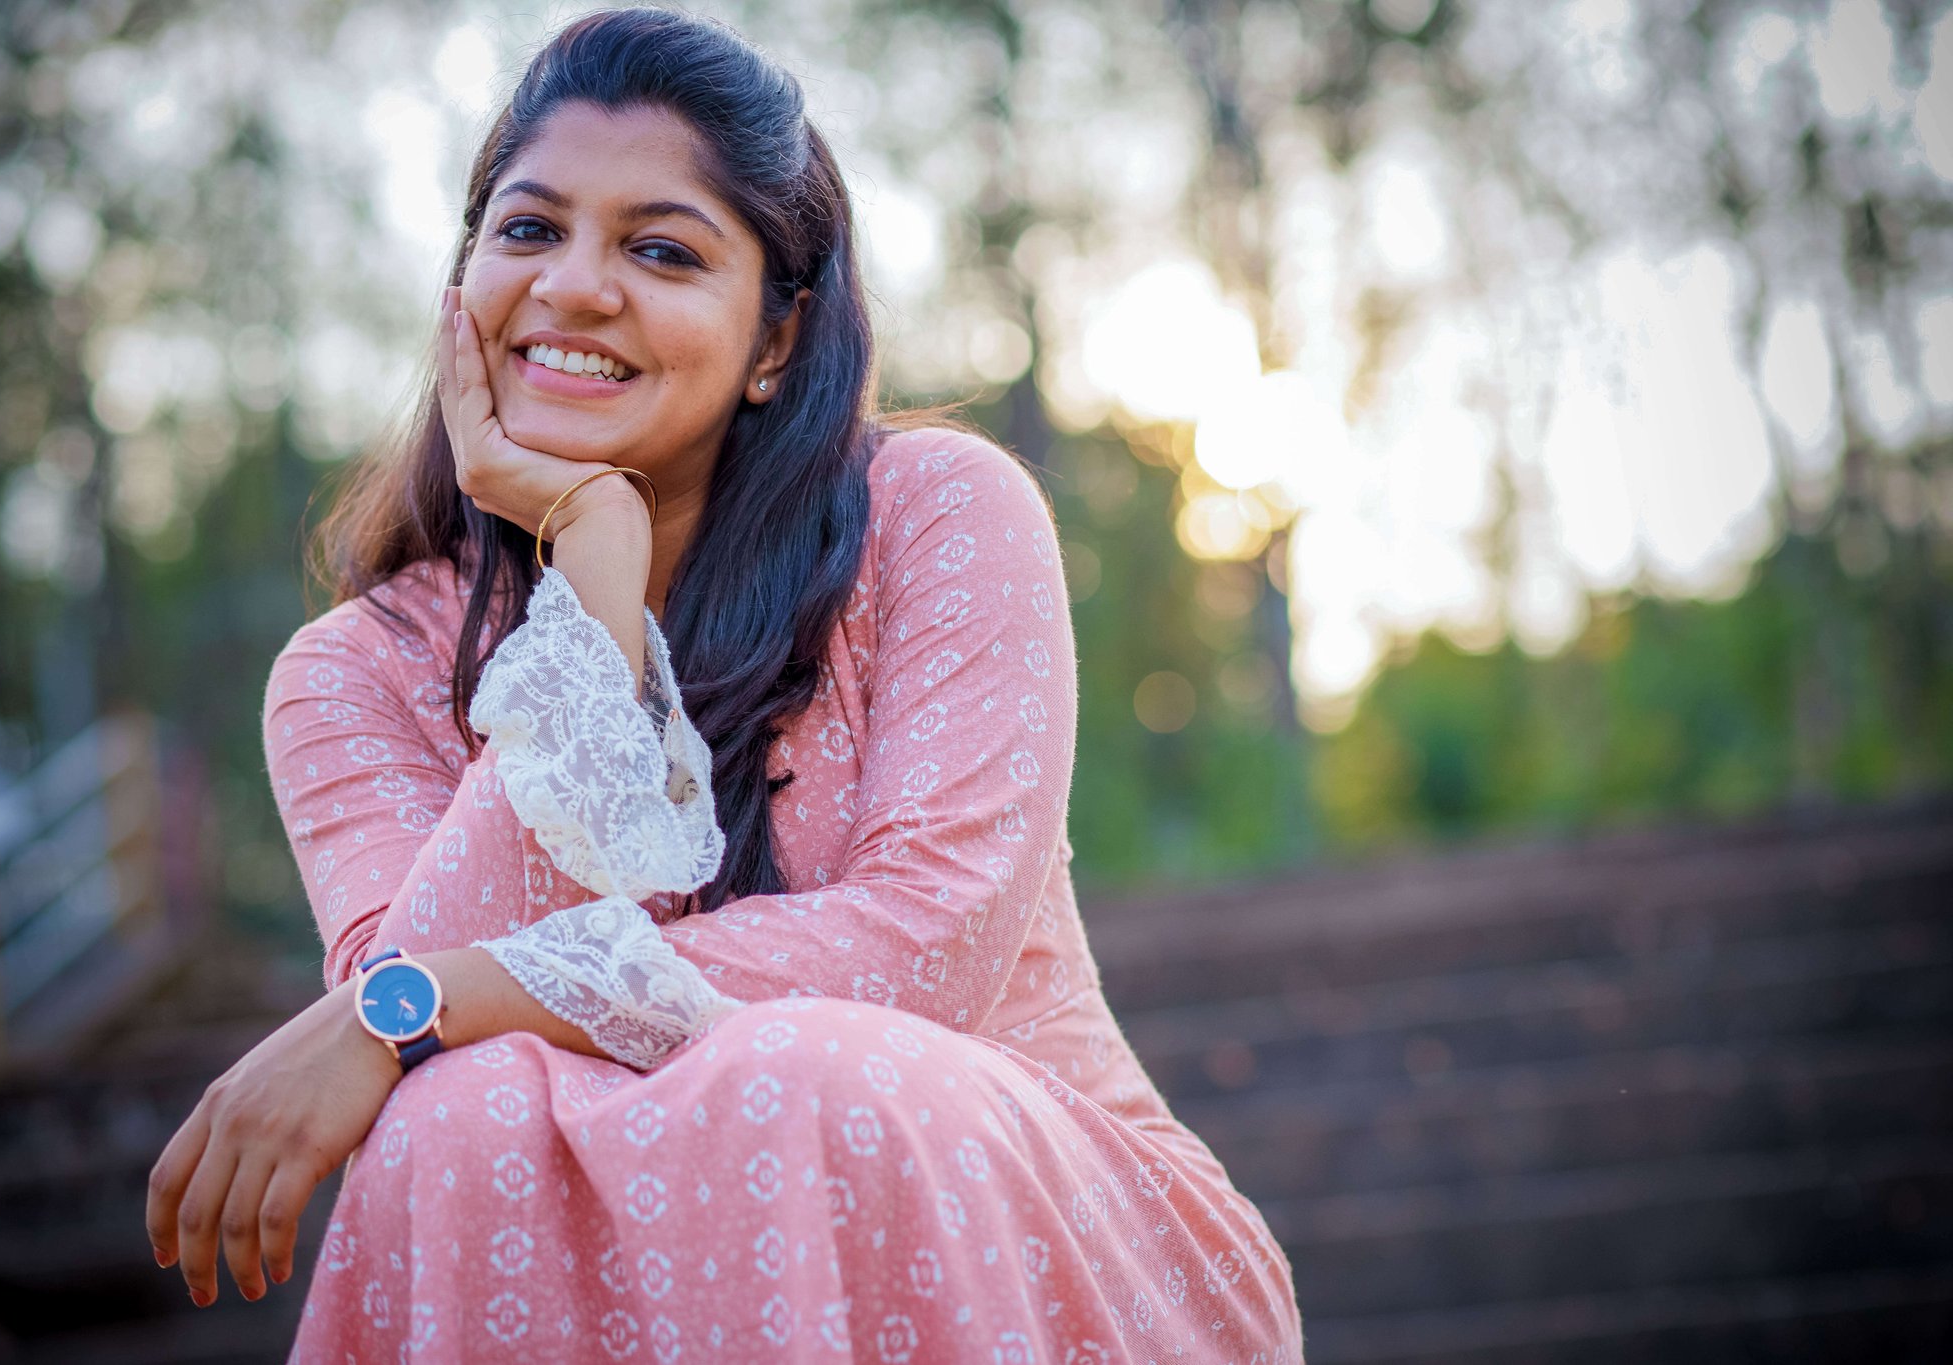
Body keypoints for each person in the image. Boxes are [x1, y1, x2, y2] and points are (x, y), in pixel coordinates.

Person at [145, 8, 1301, 1361]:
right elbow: (417, 1068)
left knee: (786, 1070)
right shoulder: (358, 674)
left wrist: (436, 994)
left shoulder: (940, 515)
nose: (574, 285)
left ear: (774, 336)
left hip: (1039, 1239)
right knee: (451, 1118)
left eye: (660, 248)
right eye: (528, 231)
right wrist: (593, 599)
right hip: (612, 1272)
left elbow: (920, 950)